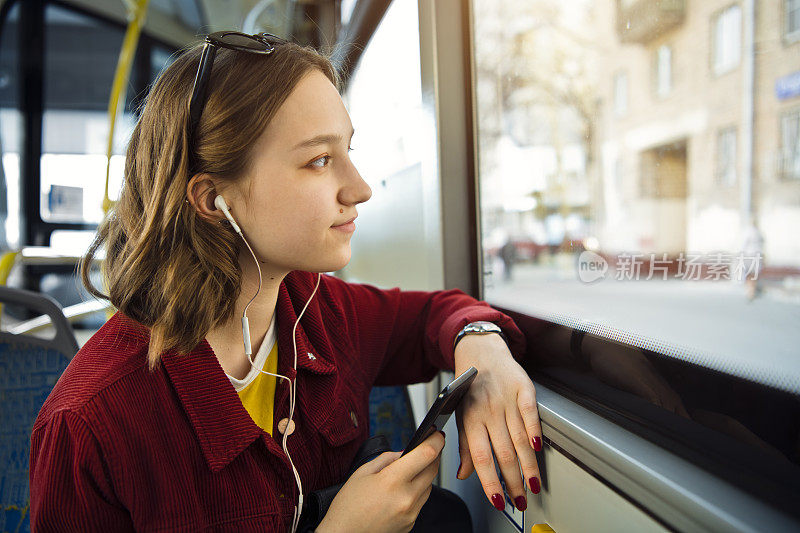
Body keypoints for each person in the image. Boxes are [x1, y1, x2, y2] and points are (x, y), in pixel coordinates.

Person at [29, 32, 542, 532]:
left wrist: (482, 347)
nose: (360, 189)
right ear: (212, 199)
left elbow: (436, 313)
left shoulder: (321, 310)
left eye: (347, 150)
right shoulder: (89, 425)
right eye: (319, 160)